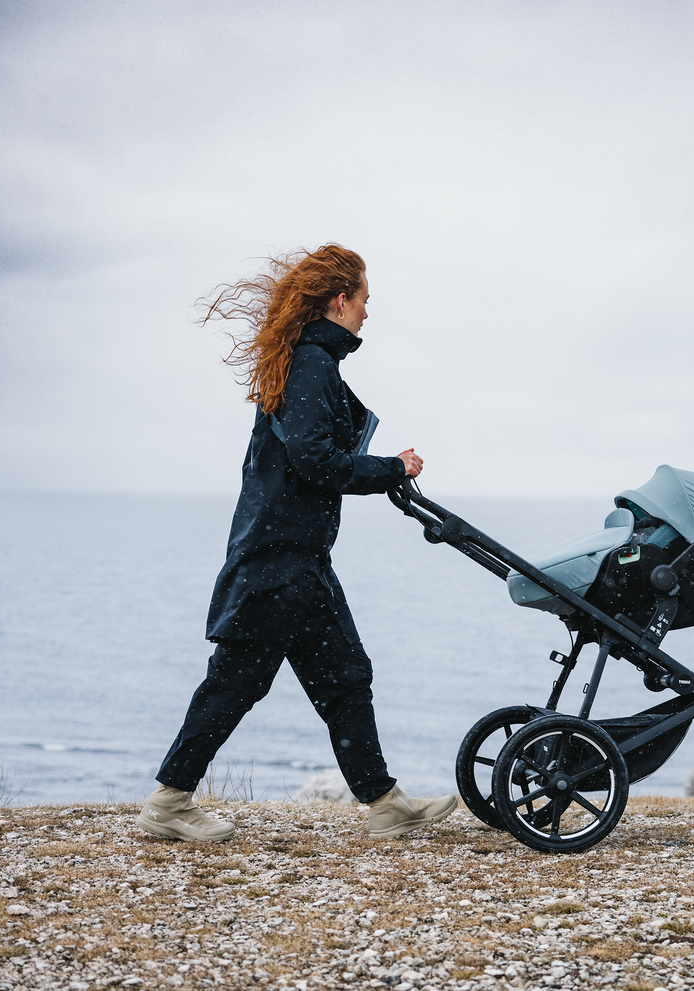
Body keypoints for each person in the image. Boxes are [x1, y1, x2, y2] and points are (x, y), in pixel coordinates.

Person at [137, 244, 457, 842]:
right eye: (364, 301)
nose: (367, 313)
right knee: (236, 681)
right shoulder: (310, 364)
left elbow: (310, 459)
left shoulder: (309, 362)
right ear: (340, 301)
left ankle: (384, 802)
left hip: (297, 558)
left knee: (344, 675)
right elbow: (314, 461)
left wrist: (381, 470)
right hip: (277, 562)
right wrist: (393, 467)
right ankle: (168, 804)